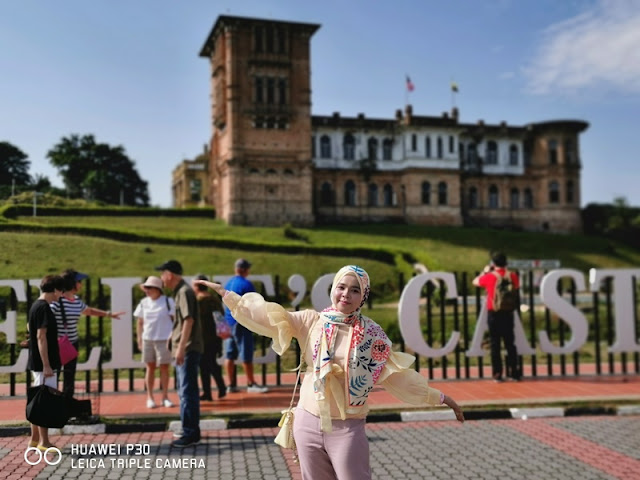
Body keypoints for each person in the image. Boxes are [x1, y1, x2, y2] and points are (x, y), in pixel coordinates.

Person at [195, 265, 465, 479]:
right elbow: (269, 316)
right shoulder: (311, 321)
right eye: (341, 287)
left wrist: (440, 398)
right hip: (307, 422)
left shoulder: (372, 336)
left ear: (363, 297)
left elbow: (398, 377)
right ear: (333, 289)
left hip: (347, 427)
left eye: (355, 290)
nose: (346, 294)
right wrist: (229, 297)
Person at [50, 269, 124, 398]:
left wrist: (108, 314)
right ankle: (52, 402)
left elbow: (88, 311)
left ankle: (67, 403)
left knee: (69, 375)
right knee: (54, 375)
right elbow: (46, 316)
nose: (81, 284)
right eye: (79, 281)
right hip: (56, 344)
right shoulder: (57, 301)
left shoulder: (76, 300)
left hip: (71, 343)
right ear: (71, 283)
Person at [155, 259, 203, 447]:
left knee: (187, 391)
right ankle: (188, 428)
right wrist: (172, 338)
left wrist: (181, 347)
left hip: (188, 349)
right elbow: (182, 322)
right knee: (185, 391)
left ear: (170, 275)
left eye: (162, 274)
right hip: (185, 348)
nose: (161, 278)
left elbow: (188, 321)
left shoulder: (184, 292)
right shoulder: (181, 292)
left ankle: (190, 433)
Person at [26, 274, 64, 451]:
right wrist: (47, 364)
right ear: (54, 290)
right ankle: (44, 441)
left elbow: (31, 329)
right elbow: (41, 336)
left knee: (37, 400)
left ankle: (34, 439)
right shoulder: (44, 308)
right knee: (44, 402)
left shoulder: (36, 305)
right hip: (44, 364)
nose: (61, 295)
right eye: (60, 291)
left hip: (37, 361)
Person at [472, 251, 521, 382]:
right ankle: (514, 372)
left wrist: (485, 271)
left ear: (493, 263)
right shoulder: (513, 276)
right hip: (508, 312)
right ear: (506, 263)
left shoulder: (490, 276)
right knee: (510, 343)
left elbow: (475, 282)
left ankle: (498, 373)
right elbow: (516, 288)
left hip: (494, 313)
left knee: (495, 344)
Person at [223, 258, 268, 394]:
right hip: (241, 322)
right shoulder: (246, 284)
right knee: (246, 353)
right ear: (244, 270)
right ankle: (250, 383)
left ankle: (230, 384)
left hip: (228, 320)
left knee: (229, 355)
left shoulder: (228, 283)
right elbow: (253, 304)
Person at [134, 275, 176, 409]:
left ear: (157, 289)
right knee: (150, 367)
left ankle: (165, 397)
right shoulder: (143, 303)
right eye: (145, 288)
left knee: (164, 367)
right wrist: (139, 339)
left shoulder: (168, 301)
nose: (146, 290)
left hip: (164, 339)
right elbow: (140, 323)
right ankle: (150, 397)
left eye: (149, 288)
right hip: (148, 339)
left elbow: (175, 320)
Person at [193, 274, 227, 401]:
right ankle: (221, 387)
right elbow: (221, 316)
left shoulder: (198, 301)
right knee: (212, 363)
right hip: (215, 337)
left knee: (204, 366)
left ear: (196, 286)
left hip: (202, 338)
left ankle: (208, 392)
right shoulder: (215, 300)